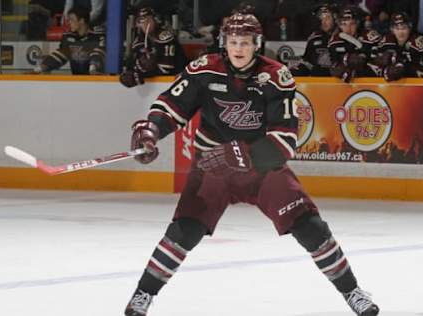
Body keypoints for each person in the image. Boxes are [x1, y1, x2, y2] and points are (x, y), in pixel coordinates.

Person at [124, 12, 380, 316]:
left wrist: (241, 153)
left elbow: (285, 140)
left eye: (245, 42)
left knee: (310, 228)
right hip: (214, 167)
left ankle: (353, 292)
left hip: (261, 168)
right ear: (223, 42)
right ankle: (143, 294)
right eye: (233, 41)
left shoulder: (275, 76)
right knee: (184, 231)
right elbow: (171, 106)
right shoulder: (204, 69)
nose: (238, 48)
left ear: (257, 44)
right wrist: (151, 130)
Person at [119, 6, 181, 88]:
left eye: (147, 18)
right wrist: (129, 74)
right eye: (141, 19)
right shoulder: (138, 41)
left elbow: (167, 69)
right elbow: (131, 64)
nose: (145, 22)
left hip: (174, 84)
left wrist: (144, 72)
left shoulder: (165, 38)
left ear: (155, 19)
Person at [34, 6, 105, 75]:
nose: (69, 23)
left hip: (98, 81)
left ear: (81, 21)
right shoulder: (68, 37)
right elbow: (61, 54)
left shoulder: (98, 35)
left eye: (72, 19)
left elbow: (100, 54)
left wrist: (94, 67)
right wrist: (41, 68)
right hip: (77, 80)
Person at [328, 6, 382, 82]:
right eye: (344, 24)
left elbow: (378, 63)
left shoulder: (369, 37)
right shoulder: (334, 41)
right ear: (339, 25)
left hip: (369, 81)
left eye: (352, 24)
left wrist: (364, 61)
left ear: (358, 23)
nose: (348, 28)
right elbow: (333, 64)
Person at [375, 12, 423, 81]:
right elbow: (376, 62)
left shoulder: (418, 41)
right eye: (397, 29)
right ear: (392, 30)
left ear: (410, 28)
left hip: (413, 81)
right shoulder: (386, 41)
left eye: (403, 28)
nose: (400, 32)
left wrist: (403, 67)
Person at [294, 3, 339, 76]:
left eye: (327, 18)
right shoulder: (314, 38)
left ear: (335, 18)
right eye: (321, 18)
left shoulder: (343, 37)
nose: (323, 22)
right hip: (318, 79)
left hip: (340, 79)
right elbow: (307, 61)